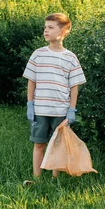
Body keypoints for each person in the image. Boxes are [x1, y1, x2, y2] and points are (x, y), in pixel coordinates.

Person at [22, 13, 86, 180]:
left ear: (63, 31)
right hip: (40, 109)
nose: (46, 30)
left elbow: (74, 86)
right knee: (39, 143)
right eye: (45, 27)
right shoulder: (38, 54)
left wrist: (72, 109)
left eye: (50, 27)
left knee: (57, 146)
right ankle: (36, 178)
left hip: (60, 110)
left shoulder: (70, 58)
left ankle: (54, 178)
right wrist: (30, 104)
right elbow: (31, 81)